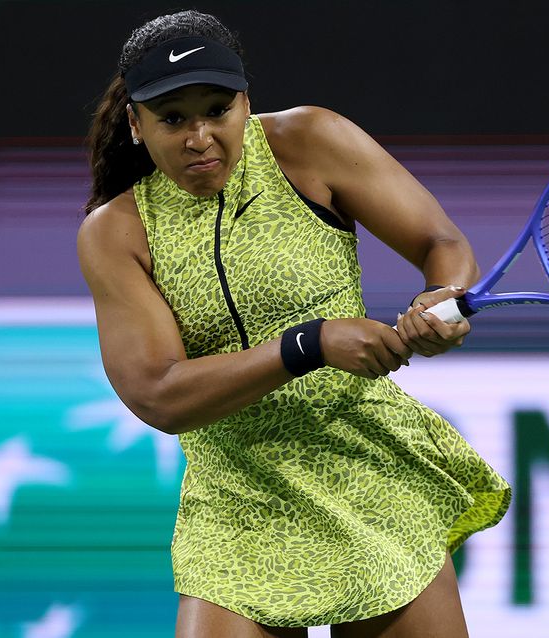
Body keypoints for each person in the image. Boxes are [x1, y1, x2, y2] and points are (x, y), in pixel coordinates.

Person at [78, 9, 510, 638]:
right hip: (237, 503)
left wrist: (441, 300)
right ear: (136, 125)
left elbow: (438, 241)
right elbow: (159, 393)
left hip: (367, 474)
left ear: (245, 102)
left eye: (218, 110)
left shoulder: (308, 142)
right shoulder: (116, 233)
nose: (200, 137)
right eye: (173, 119)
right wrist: (309, 344)